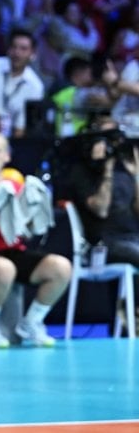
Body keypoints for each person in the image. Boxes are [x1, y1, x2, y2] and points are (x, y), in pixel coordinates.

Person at [0, 130, 71, 348]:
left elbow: (27, 232)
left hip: (12, 250)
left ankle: (32, 322)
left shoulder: (16, 186)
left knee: (61, 267)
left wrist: (35, 207)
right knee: (4, 269)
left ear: (7, 156)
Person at [69, 116, 139, 329]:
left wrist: (137, 176)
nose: (110, 145)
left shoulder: (126, 169)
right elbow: (100, 209)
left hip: (133, 237)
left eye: (114, 138)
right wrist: (106, 169)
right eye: (104, 138)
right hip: (102, 244)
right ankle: (131, 315)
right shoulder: (81, 171)